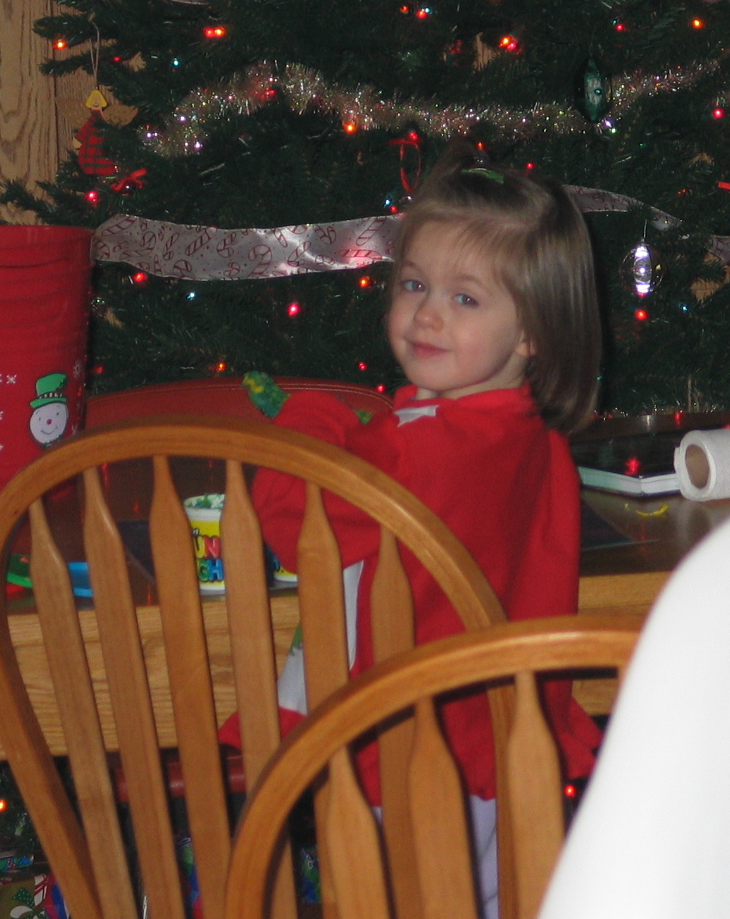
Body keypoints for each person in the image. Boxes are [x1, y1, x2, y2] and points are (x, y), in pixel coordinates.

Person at [250, 144, 605, 914]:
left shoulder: (422, 446)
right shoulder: (530, 435)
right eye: (414, 284)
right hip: (501, 735)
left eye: (465, 298)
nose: (428, 313)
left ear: (533, 333)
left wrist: (312, 416)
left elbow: (291, 518)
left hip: (411, 740)